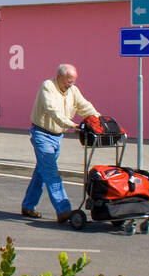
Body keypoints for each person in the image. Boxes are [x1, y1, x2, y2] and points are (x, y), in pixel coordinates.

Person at [21, 63, 99, 224]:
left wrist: (100, 121)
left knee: (41, 172)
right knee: (51, 173)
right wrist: (73, 125)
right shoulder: (47, 87)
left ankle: (28, 206)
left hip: (57, 136)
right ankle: (63, 210)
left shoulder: (72, 90)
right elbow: (53, 111)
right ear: (59, 77)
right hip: (42, 134)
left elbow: (85, 106)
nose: (72, 84)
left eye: (74, 81)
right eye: (69, 81)